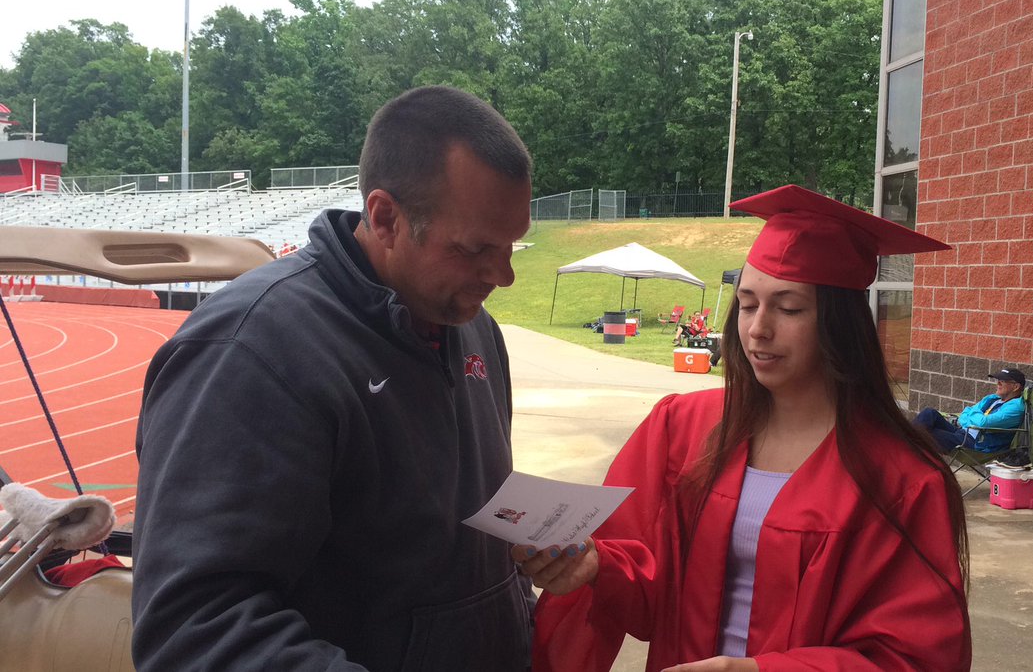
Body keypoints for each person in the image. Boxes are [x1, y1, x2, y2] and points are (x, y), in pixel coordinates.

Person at [132, 86, 535, 671]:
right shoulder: (251, 350)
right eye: (476, 248)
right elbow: (193, 629)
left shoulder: (473, 328)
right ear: (386, 218)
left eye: (510, 247)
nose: (503, 275)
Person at [513, 185, 971, 671]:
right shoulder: (682, 428)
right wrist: (598, 567)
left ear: (839, 323)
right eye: (748, 304)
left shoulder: (902, 479)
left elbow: (918, 657)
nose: (758, 329)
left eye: (788, 307)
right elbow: (646, 585)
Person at [913, 369, 1026, 453]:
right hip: (963, 433)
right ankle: (905, 443)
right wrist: (971, 418)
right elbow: (965, 414)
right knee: (929, 413)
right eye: (998, 380)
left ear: (1015, 387)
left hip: (975, 444)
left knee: (925, 434)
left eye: (1003, 381)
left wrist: (971, 416)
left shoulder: (1015, 408)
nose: (998, 384)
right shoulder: (993, 399)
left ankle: (904, 447)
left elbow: (983, 422)